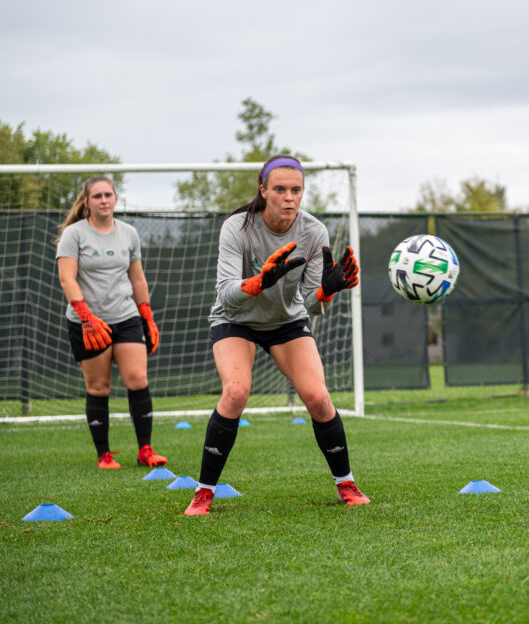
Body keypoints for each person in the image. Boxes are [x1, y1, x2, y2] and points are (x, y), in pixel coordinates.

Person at [183, 155, 368, 516]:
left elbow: (313, 304)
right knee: (236, 392)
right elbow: (224, 293)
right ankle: (204, 492)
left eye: (296, 190)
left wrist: (327, 291)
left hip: (286, 320)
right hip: (236, 320)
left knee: (317, 397)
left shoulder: (314, 232)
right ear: (263, 189)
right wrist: (257, 283)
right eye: (280, 189)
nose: (289, 197)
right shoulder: (237, 227)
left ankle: (346, 483)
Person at [55, 175, 167, 470]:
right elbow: (67, 278)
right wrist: (86, 316)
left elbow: (137, 278)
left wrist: (147, 315)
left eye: (108, 195)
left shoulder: (129, 233)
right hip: (87, 322)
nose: (104, 200)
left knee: (138, 379)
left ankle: (146, 450)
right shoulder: (74, 234)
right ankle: (104, 454)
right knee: (99, 387)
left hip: (126, 317)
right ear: (87, 201)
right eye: (97, 196)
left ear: (115, 199)